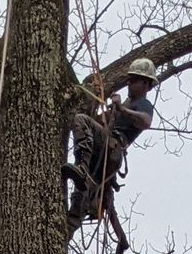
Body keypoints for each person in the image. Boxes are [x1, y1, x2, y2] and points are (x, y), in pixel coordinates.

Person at [67, 59, 159, 231]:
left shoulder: (142, 104)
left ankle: (82, 167)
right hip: (102, 152)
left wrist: (121, 109)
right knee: (81, 194)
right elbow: (96, 122)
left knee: (80, 120)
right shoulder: (123, 105)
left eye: (134, 80)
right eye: (129, 80)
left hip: (112, 147)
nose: (129, 83)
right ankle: (68, 228)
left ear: (146, 83)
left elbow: (146, 122)